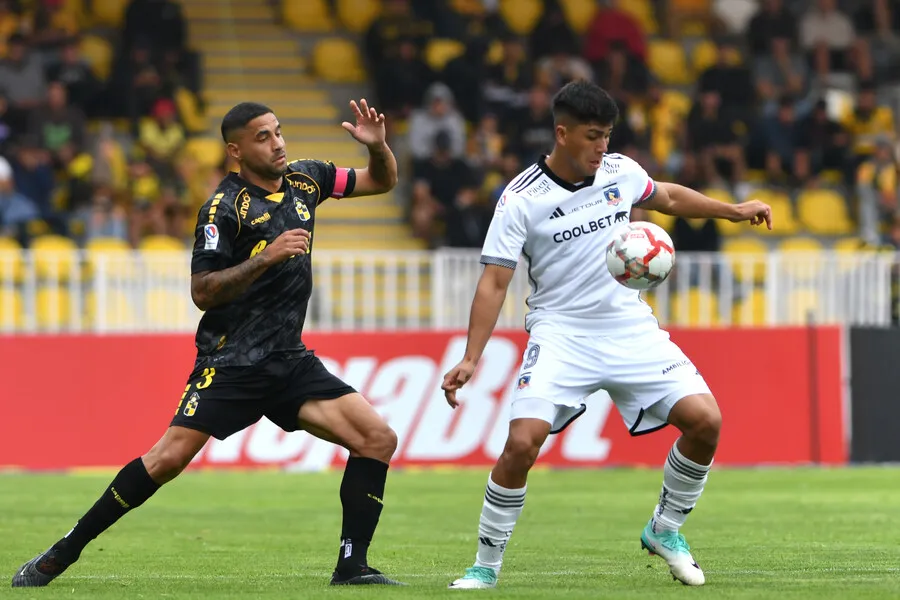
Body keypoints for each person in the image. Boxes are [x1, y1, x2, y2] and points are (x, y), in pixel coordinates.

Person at [12, 99, 404, 588]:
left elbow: (382, 181)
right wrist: (266, 257)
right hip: (232, 361)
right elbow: (203, 291)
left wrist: (379, 148)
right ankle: (62, 552)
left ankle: (352, 566)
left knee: (377, 439)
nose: (278, 142)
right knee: (166, 460)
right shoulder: (223, 208)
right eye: (263, 137)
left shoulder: (309, 179)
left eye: (278, 131)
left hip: (288, 360)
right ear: (235, 151)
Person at [441, 81, 772, 589]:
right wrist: (471, 356)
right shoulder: (520, 198)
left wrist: (731, 210)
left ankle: (665, 529)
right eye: (593, 137)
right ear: (562, 133)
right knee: (521, 444)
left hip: (627, 325)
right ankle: (485, 565)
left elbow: (665, 197)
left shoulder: (619, 171)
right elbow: (495, 280)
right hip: (561, 332)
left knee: (706, 421)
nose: (602, 147)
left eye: (608, 136)